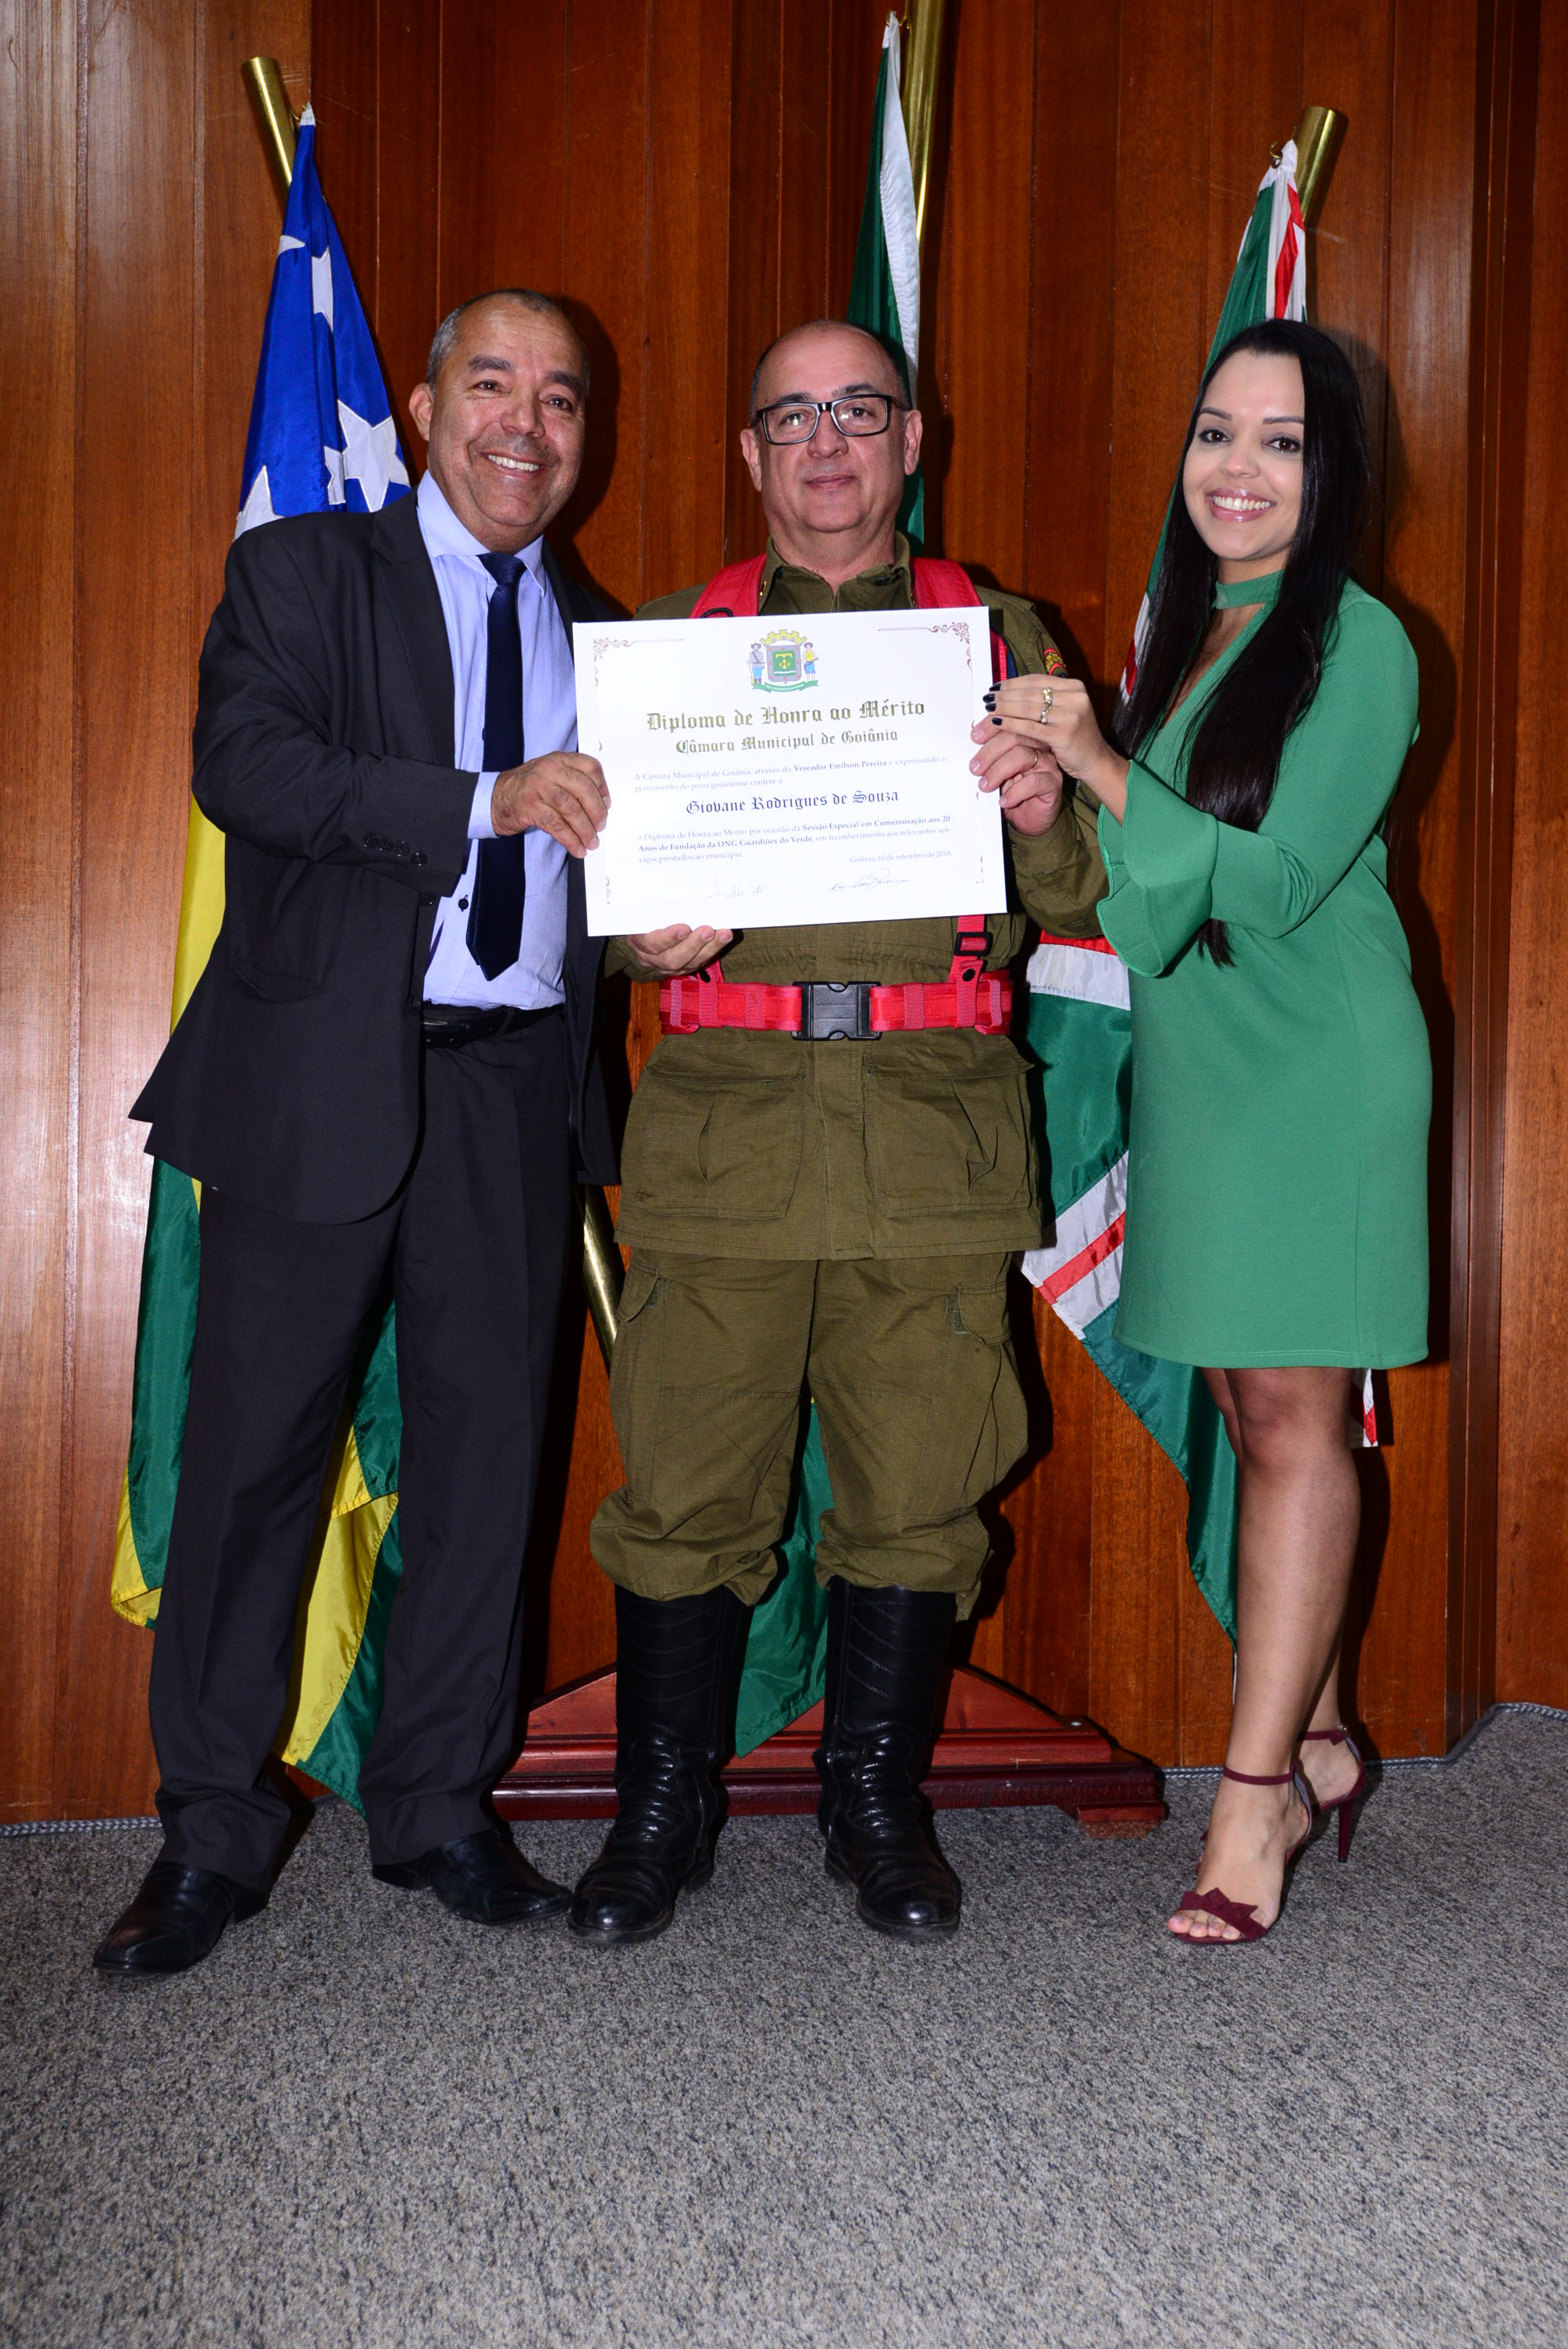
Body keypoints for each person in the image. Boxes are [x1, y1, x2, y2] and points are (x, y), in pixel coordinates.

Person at [94, 291, 618, 1977]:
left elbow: (621, 865)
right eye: (493, 383)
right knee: (252, 1462)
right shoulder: (304, 572)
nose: (525, 422)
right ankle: (210, 1831)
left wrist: (670, 917)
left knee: (488, 1461)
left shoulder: (612, 639)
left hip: (510, 1090)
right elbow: (247, 767)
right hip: (319, 1070)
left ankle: (440, 1807)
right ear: (424, 406)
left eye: (560, 397)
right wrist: (482, 801)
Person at [570, 317, 1107, 1949]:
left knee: (921, 1486)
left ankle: (873, 1800)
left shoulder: (998, 636)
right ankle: (661, 1808)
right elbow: (602, 914)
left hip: (929, 1126)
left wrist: (1043, 808)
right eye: (791, 417)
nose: (825, 443)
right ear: (749, 453)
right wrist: (636, 931)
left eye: (858, 411)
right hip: (729, 1128)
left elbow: (1087, 888)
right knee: (683, 1482)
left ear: (910, 438)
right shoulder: (669, 650)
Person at [987, 319, 1430, 1944]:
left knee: (1297, 1414)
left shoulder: (1361, 640)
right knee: (1250, 1408)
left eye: (1282, 440)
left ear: (1335, 471)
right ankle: (1316, 1735)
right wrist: (1054, 794)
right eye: (1216, 432)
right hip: (1205, 1062)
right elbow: (1146, 884)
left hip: (1315, 1067)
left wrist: (1098, 760)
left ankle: (1252, 1806)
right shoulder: (1189, 631)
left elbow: (1274, 878)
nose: (1237, 468)